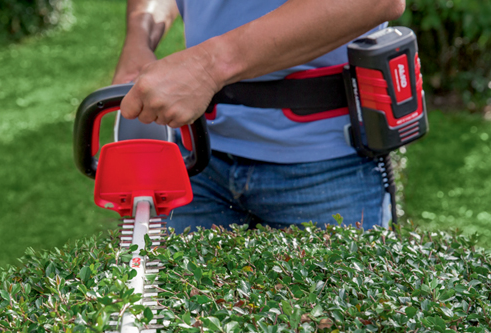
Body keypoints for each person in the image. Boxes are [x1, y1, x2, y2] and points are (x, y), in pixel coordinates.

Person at [112, 0, 406, 234]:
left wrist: (208, 66)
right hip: (196, 158)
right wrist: (140, 37)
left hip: (326, 162)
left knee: (332, 307)